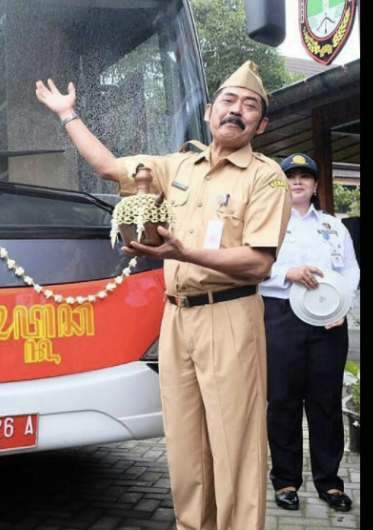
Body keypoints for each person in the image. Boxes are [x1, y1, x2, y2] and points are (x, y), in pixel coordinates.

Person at [35, 61, 291, 530]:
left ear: (262, 123)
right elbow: (110, 167)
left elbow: (258, 262)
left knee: (235, 444)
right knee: (186, 445)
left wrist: (185, 251)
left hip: (230, 314)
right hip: (176, 319)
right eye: (229, 102)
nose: (237, 112)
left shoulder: (266, 177)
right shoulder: (177, 164)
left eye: (250, 106)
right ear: (211, 111)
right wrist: (68, 114)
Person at [258, 153, 360, 512]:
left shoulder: (334, 226)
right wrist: (287, 273)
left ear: (316, 185)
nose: (297, 182)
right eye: (291, 176)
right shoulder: (266, 224)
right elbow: (252, 268)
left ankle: (330, 483)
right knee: (283, 402)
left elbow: (350, 270)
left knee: (326, 403)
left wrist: (342, 306)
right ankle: (285, 481)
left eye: (305, 176)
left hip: (328, 322)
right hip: (281, 317)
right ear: (281, 184)